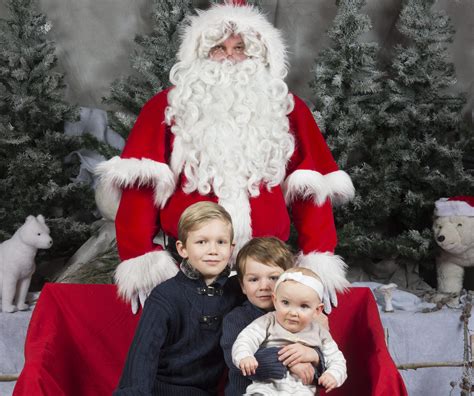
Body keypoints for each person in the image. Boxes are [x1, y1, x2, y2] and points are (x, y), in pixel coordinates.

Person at [95, 3, 354, 314]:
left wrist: (316, 262)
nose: (231, 56)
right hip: (187, 265)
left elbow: (312, 192)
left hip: (266, 269)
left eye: (241, 47)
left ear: (260, 54)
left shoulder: (286, 109)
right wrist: (141, 260)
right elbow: (140, 190)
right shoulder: (166, 108)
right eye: (219, 47)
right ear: (200, 53)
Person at [114, 201, 242, 395]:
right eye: (201, 242)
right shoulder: (165, 295)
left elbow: (273, 323)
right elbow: (143, 355)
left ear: (231, 248)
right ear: (183, 249)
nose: (213, 250)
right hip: (162, 390)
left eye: (221, 242)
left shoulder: (237, 292)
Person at [221, 237, 326, 396]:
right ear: (243, 286)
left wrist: (314, 355)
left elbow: (325, 362)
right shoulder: (235, 319)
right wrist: (290, 363)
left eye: (274, 278)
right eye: (254, 279)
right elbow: (238, 361)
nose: (264, 286)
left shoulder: (303, 317)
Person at [232, 267, 347, 395]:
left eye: (303, 306)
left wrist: (333, 375)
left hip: (301, 391)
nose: (292, 313)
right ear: (275, 300)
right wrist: (245, 355)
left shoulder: (320, 333)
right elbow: (246, 339)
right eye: (286, 303)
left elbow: (337, 359)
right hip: (266, 390)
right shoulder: (268, 321)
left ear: (317, 310)